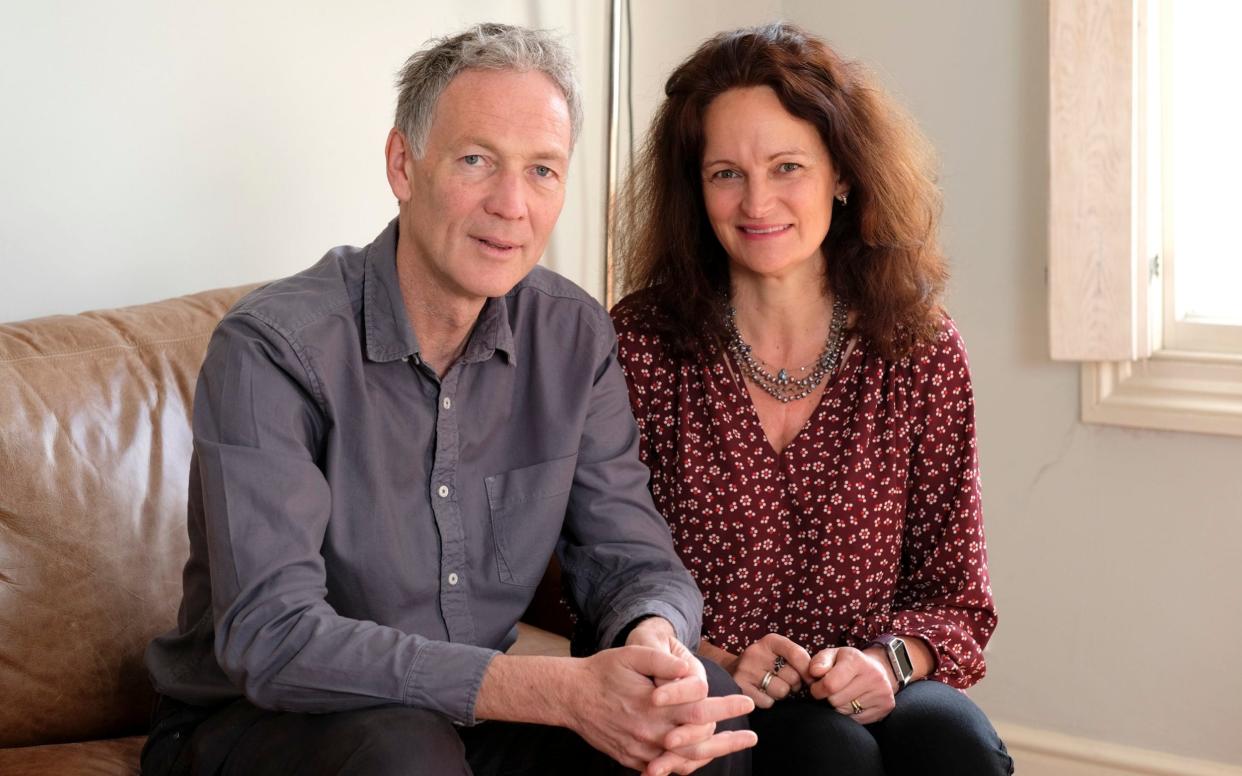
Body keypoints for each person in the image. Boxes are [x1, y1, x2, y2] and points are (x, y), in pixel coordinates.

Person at [141, 23, 757, 776]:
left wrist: (655, 636)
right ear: (404, 165)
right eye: (476, 161)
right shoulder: (272, 348)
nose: (511, 204)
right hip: (264, 723)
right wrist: (551, 690)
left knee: (702, 718)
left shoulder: (573, 337)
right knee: (404, 750)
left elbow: (632, 557)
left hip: (468, 716)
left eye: (542, 171)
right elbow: (274, 637)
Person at [611, 22, 1012, 775]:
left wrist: (889, 662)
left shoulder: (919, 346)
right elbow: (595, 570)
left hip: (874, 676)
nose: (757, 201)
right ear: (695, 190)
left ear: (841, 174)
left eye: (786, 166)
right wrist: (717, 653)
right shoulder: (641, 343)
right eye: (725, 173)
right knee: (829, 755)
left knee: (957, 746)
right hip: (716, 677)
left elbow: (958, 596)